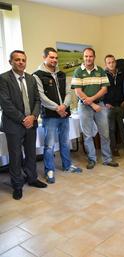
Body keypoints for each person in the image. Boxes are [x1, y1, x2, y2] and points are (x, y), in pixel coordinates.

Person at [0, 50, 47, 200]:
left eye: (23, 60)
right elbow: (5, 104)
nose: (21, 62)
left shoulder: (31, 79)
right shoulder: (3, 79)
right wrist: (23, 119)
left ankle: (32, 178)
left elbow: (38, 100)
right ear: (10, 62)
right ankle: (17, 185)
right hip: (13, 124)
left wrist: (32, 117)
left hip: (31, 123)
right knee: (16, 155)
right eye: (17, 60)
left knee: (31, 153)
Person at [33, 47, 82, 184]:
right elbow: (41, 97)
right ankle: (50, 170)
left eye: (56, 58)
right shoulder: (37, 75)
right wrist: (57, 108)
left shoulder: (61, 73)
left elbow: (68, 92)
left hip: (64, 114)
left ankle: (67, 165)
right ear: (44, 58)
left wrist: (64, 107)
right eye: (51, 57)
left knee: (65, 142)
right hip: (50, 116)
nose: (54, 60)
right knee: (49, 145)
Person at [71, 47, 118, 169]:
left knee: (105, 133)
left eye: (90, 56)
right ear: (83, 57)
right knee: (87, 135)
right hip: (85, 106)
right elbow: (78, 91)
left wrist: (92, 100)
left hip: (100, 105)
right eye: (86, 56)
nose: (88, 58)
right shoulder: (78, 72)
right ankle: (92, 159)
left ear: (94, 57)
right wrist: (91, 103)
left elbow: (104, 89)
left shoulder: (101, 71)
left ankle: (107, 159)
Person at [103, 54, 124, 156]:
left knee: (123, 127)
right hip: (108, 106)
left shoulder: (122, 73)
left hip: (120, 105)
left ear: (115, 62)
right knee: (111, 129)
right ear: (106, 64)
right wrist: (105, 103)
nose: (111, 64)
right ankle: (114, 149)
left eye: (113, 62)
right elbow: (101, 90)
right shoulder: (103, 75)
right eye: (109, 62)